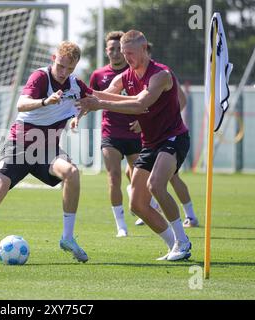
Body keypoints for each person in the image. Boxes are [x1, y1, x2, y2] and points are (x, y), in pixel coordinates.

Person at [0, 41, 93, 265]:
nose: (64, 72)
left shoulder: (75, 84)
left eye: (70, 69)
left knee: (72, 172)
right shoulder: (40, 78)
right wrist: (45, 101)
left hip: (47, 150)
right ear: (53, 59)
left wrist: (79, 115)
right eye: (60, 66)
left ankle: (67, 238)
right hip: (18, 146)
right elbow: (21, 104)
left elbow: (91, 100)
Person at [76, 30, 192, 261]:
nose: (125, 57)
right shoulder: (125, 76)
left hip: (173, 138)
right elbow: (105, 93)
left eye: (130, 53)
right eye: (123, 52)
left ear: (144, 50)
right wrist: (77, 92)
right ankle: (177, 245)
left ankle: (183, 240)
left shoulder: (161, 75)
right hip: (150, 143)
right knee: (137, 204)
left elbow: (140, 105)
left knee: (156, 186)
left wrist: (99, 104)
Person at [77, 31, 141, 237]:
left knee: (138, 178)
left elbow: (147, 101)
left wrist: (142, 121)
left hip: (134, 133)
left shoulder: (136, 72)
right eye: (111, 49)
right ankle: (121, 225)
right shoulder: (98, 75)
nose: (115, 53)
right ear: (106, 51)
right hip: (110, 133)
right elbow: (90, 99)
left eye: (118, 49)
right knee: (114, 177)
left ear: (124, 51)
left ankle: (141, 204)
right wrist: (77, 116)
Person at [133, 43, 199, 228]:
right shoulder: (136, 76)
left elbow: (182, 100)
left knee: (169, 178)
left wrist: (164, 120)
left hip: (170, 135)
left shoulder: (162, 73)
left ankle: (190, 216)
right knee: (153, 178)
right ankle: (150, 208)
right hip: (153, 138)